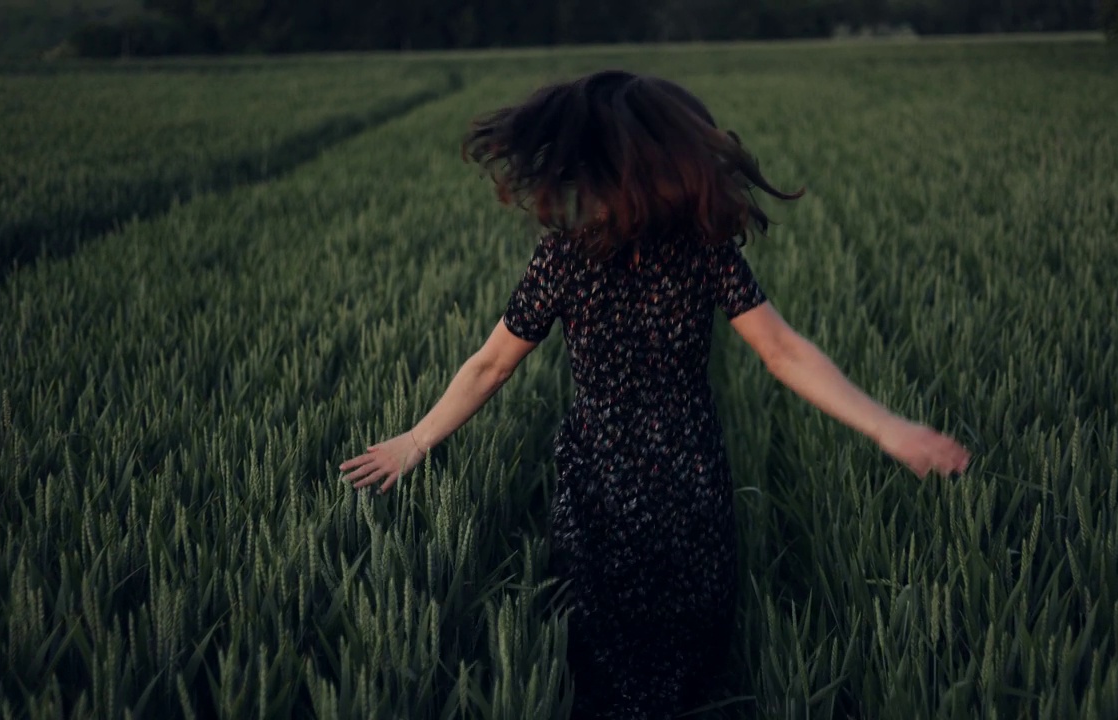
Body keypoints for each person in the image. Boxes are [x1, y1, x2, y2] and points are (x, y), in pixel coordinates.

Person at [339, 70, 971, 719]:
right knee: (665, 653)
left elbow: (492, 365)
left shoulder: (577, 258)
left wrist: (886, 426)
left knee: (618, 658)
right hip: (673, 475)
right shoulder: (691, 249)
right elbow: (781, 353)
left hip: (617, 475)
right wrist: (886, 426)